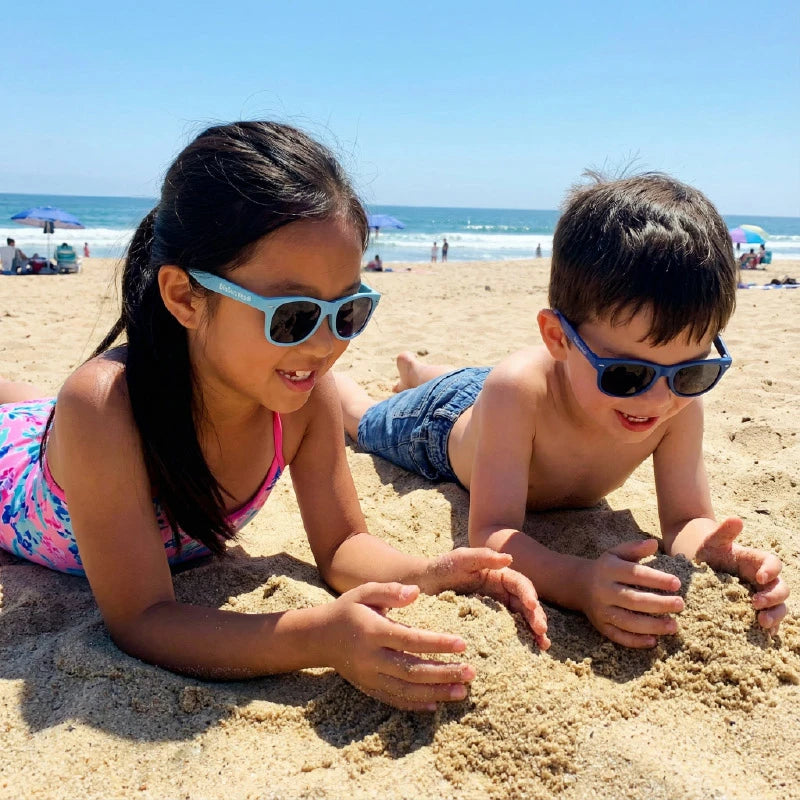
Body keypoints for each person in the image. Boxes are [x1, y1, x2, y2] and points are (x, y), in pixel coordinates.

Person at [0, 121, 548, 712]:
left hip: (64, 434)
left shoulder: (309, 396)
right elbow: (141, 618)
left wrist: (431, 571)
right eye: (292, 317)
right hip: (22, 471)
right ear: (185, 296)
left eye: (348, 312)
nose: (322, 347)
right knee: (34, 410)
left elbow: (343, 544)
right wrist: (320, 637)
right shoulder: (104, 408)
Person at [335, 172, 789, 649]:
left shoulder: (677, 404)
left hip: (512, 390)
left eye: (691, 372)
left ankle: (419, 369)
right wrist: (579, 581)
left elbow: (684, 522)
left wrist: (719, 550)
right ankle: (389, 380)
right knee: (365, 421)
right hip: (441, 425)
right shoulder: (516, 391)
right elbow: (491, 534)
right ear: (558, 339)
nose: (658, 400)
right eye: (626, 375)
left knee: (481, 378)